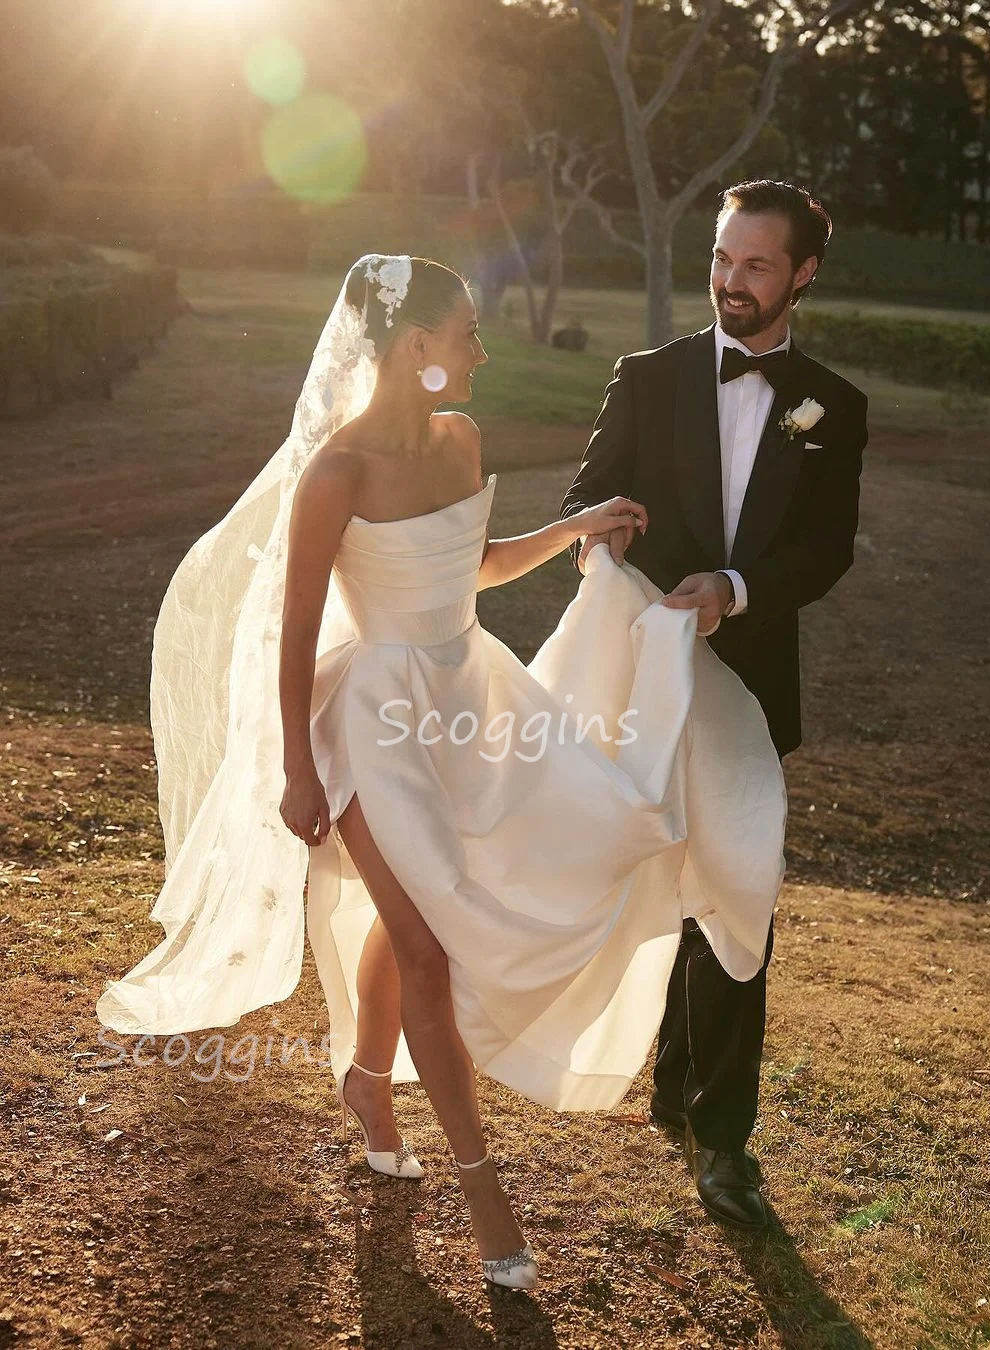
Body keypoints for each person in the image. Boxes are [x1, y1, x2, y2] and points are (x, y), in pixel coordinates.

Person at [96, 254, 787, 1289]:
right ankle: (482, 1193)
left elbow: (469, 567)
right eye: (467, 332)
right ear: (414, 345)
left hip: (471, 699)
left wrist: (573, 532)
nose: (482, 349)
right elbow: (292, 634)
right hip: (369, 716)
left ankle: (369, 1084)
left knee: (462, 896)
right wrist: (297, 765)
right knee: (427, 945)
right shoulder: (335, 474)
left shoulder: (460, 439)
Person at [561, 180, 870, 1231]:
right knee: (664, 871)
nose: (731, 282)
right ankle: (669, 1074)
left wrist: (733, 593)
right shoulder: (647, 378)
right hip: (646, 686)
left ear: (802, 275)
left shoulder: (835, 404)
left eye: (755, 266)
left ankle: (721, 1139)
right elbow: (586, 501)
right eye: (723, 260)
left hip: (751, 686)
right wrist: (601, 541)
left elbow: (825, 550)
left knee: (739, 890)